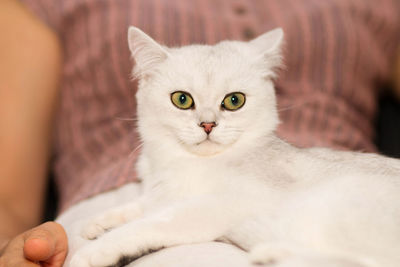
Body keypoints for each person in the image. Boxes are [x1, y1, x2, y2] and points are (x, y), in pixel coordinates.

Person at [1, 0, 399, 266]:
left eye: (230, 102)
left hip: (323, 184)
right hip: (122, 193)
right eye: (183, 100)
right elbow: (7, 198)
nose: (207, 122)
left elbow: (216, 206)